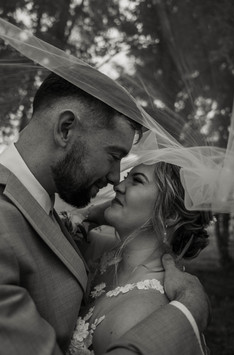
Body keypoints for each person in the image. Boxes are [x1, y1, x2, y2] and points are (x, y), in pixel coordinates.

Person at [0, 73, 209, 355]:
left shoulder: (36, 206)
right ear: (65, 129)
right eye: (113, 156)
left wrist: (87, 217)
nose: (114, 179)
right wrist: (188, 310)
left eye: (134, 178)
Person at [68, 162, 211, 355]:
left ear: (170, 215)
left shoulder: (139, 315)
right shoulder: (107, 257)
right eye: (127, 176)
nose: (117, 186)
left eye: (137, 180)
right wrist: (86, 214)